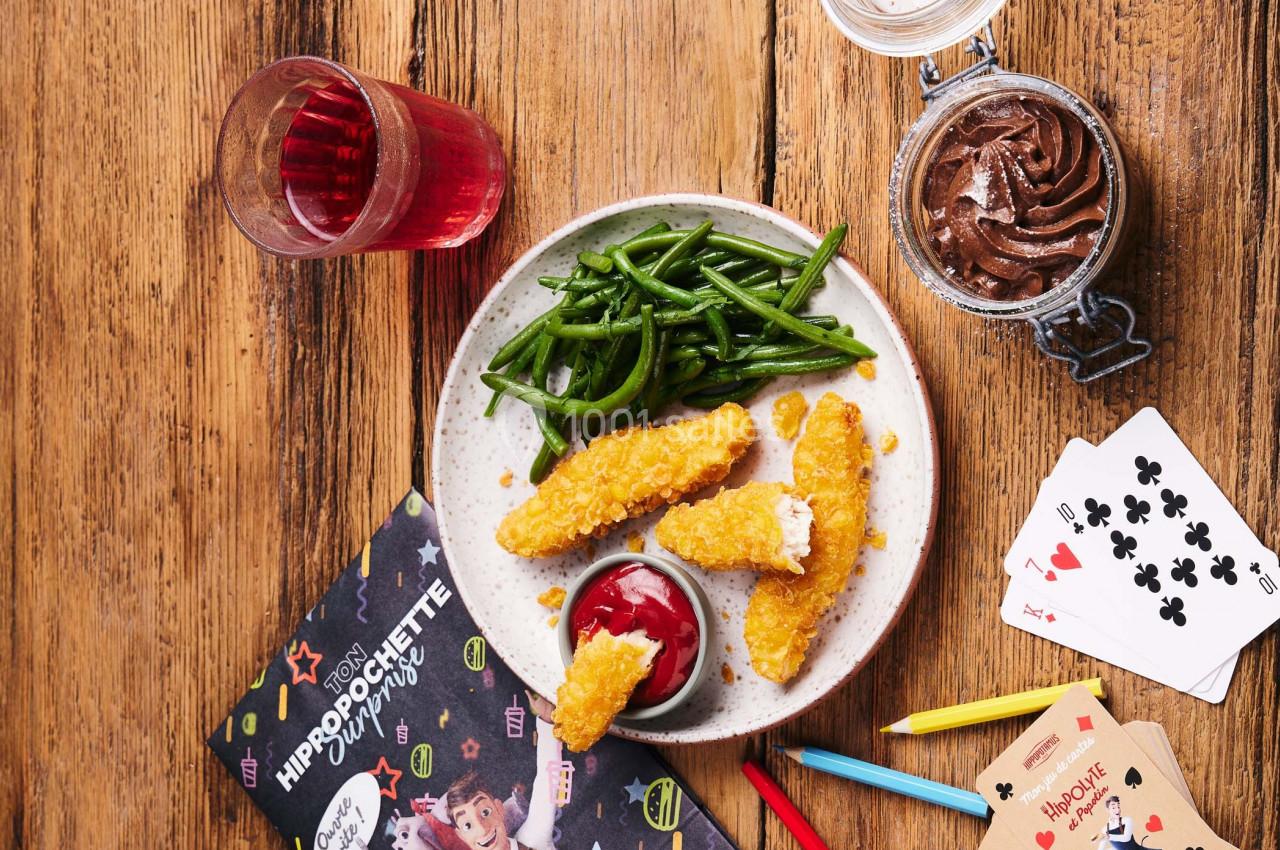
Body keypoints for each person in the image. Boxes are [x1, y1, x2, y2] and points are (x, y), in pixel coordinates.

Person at [1092, 796, 1158, 850]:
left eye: (1118, 806)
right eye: (1113, 808)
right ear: (1107, 810)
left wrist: (1108, 836)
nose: (1117, 810)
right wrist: (1098, 840)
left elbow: (1126, 838)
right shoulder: (1105, 829)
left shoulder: (1127, 820)